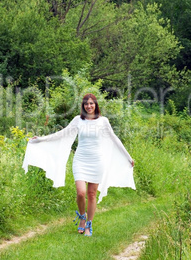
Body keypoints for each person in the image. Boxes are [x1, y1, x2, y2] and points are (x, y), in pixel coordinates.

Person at [23, 93, 135, 237]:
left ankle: (89, 224)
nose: (89, 106)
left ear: (96, 105)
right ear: (83, 106)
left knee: (92, 194)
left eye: (91, 103)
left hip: (97, 161)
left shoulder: (103, 121)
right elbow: (62, 134)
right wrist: (41, 139)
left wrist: (128, 157)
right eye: (86, 104)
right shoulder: (78, 120)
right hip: (81, 160)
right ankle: (82, 216)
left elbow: (114, 139)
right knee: (81, 193)